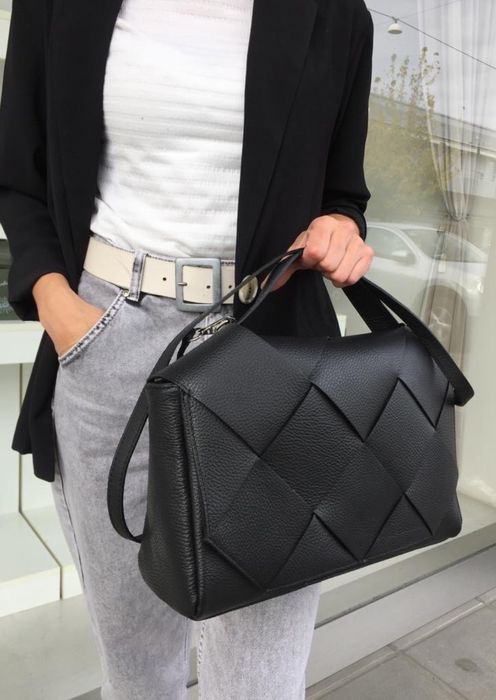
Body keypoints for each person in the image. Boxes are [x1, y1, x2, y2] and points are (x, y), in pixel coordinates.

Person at [0, 0, 375, 697]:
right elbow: (19, 172)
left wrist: (339, 226)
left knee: (260, 677)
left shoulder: (334, 15)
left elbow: (343, 193)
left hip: (270, 344)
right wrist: (57, 305)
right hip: (108, 336)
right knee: (137, 665)